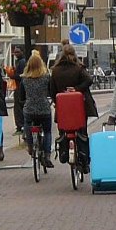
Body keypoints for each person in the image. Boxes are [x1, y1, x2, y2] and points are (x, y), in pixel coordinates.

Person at [48, 42, 96, 171]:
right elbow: (89, 80)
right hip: (79, 107)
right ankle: (85, 160)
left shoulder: (55, 71)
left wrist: (57, 100)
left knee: (63, 130)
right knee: (82, 131)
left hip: (63, 108)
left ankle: (64, 153)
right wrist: (76, 89)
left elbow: (52, 90)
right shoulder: (78, 68)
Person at [21, 51, 53, 169]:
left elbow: (21, 96)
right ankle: (47, 155)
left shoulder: (24, 79)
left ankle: (30, 146)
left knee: (27, 126)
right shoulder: (46, 77)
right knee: (48, 131)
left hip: (29, 109)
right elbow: (50, 91)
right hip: (44, 109)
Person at [12, 47, 27, 134]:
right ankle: (20, 126)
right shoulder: (19, 61)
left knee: (18, 106)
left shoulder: (22, 62)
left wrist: (12, 75)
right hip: (18, 86)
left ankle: (20, 126)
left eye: (18, 52)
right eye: (15, 52)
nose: (16, 54)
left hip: (19, 87)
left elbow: (20, 75)